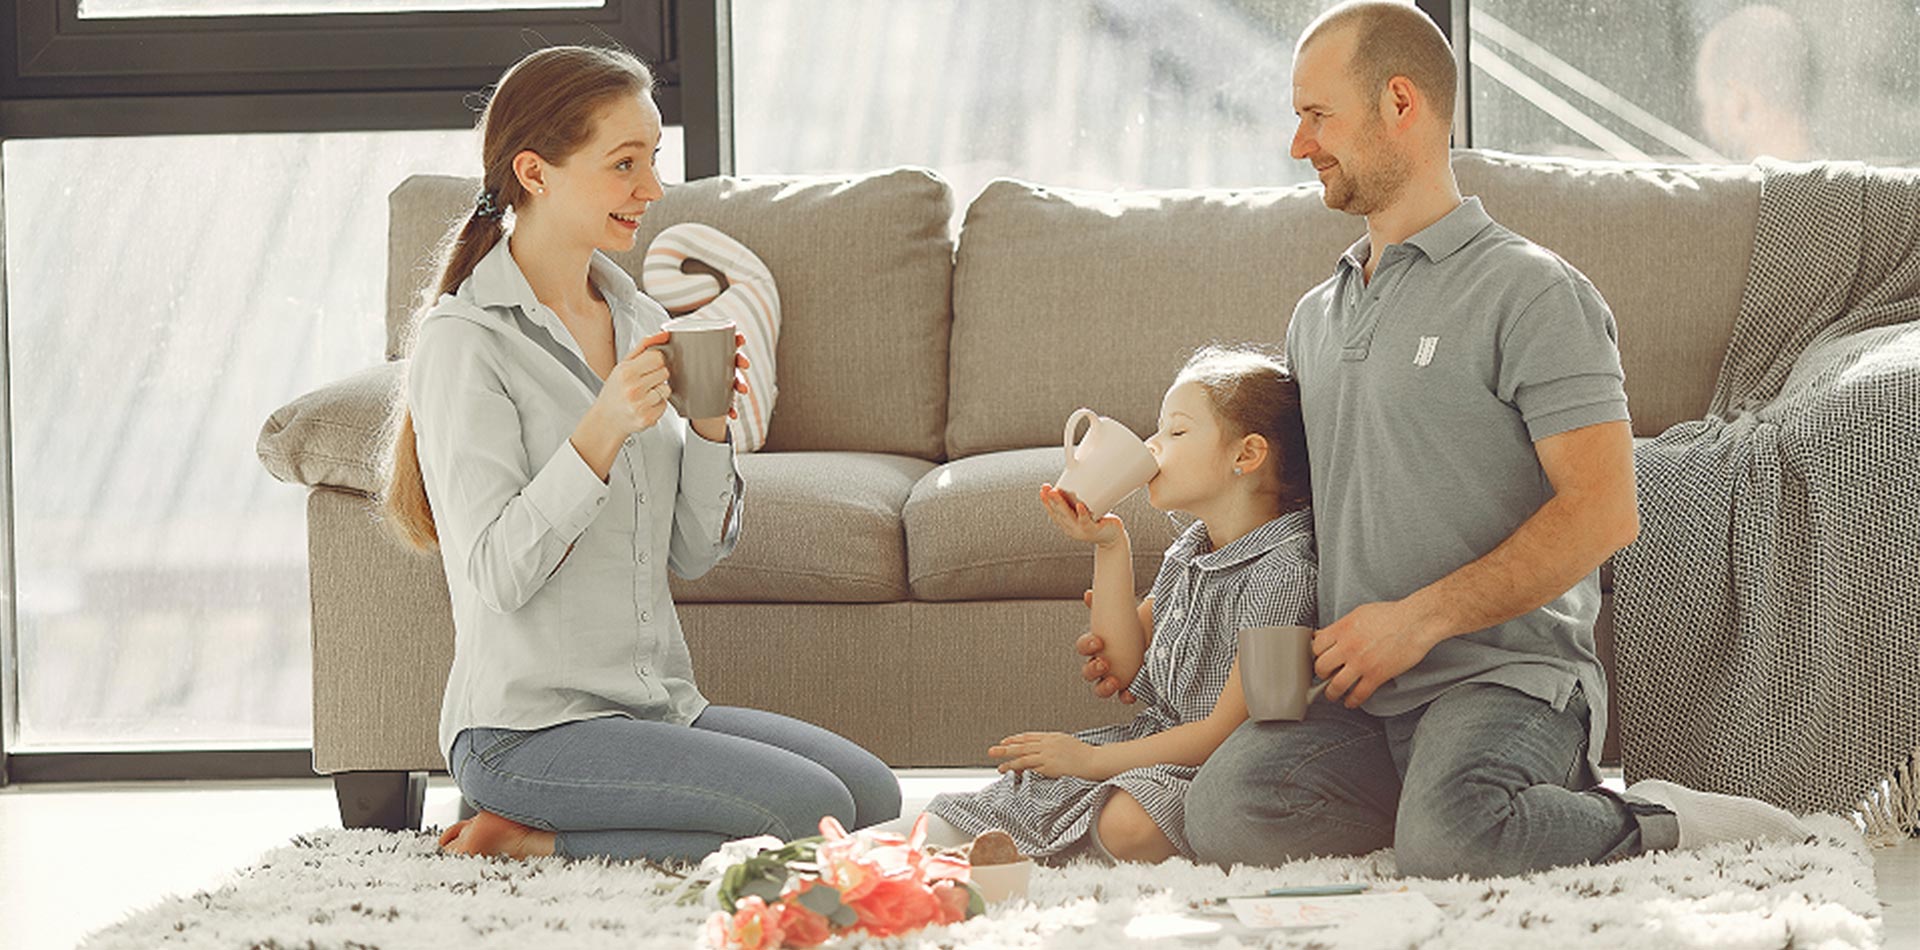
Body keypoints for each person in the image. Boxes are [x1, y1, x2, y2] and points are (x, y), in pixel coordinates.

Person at [1078, 1, 1811, 878]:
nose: (1299, 144)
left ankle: (1659, 820)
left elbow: (1605, 511)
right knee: (1225, 811)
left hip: (1504, 679)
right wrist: (1151, 618)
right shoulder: (1315, 318)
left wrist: (1416, 622)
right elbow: (1284, 520)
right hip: (1358, 692)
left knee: (1452, 837)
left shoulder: (1533, 294)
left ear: (1400, 103)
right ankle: (1454, 807)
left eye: (1318, 116)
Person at [382, 45, 899, 863]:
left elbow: (692, 554)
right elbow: (497, 573)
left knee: (871, 797)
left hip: (655, 707)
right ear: (535, 172)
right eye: (625, 163)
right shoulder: (466, 341)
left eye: (653, 158)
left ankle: (547, 830)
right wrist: (602, 427)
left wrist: (709, 429)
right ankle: (528, 840)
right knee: (813, 810)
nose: (652, 188)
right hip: (524, 731)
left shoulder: (639, 319)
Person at [876, 346, 1317, 864]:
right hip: (1159, 745)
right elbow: (1123, 666)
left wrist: (1090, 760)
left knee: (1127, 819)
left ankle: (1019, 844)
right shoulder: (1193, 550)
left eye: (1176, 432)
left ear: (1247, 455)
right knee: (1049, 784)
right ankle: (931, 843)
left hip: (1220, 765)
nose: (1152, 445)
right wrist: (1110, 546)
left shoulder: (1282, 572)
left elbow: (1225, 733)